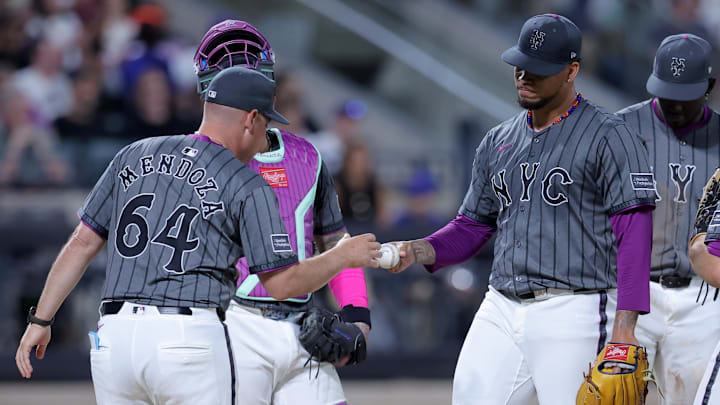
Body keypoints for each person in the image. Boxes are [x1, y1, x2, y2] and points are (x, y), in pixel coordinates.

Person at [15, 66, 381, 405]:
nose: (268, 138)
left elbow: (80, 243)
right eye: (268, 123)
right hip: (187, 336)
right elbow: (282, 284)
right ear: (251, 120)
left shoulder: (133, 153)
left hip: (113, 338)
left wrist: (40, 321)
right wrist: (342, 257)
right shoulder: (244, 181)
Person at [386, 14, 656, 404]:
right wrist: (416, 250)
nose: (524, 77)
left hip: (575, 306)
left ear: (571, 71)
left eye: (538, 70)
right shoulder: (498, 140)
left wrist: (625, 325)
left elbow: (635, 233)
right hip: (501, 302)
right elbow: (471, 227)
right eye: (520, 66)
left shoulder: (610, 135)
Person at [194, 19, 373, 405]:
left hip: (302, 325)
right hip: (229, 325)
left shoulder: (308, 156)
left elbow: (336, 242)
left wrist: (358, 317)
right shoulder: (195, 159)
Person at [616, 33, 720, 404]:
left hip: (702, 299)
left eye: (685, 95)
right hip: (629, 290)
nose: (673, 104)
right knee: (614, 395)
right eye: (665, 91)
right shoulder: (619, 131)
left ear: (709, 86)